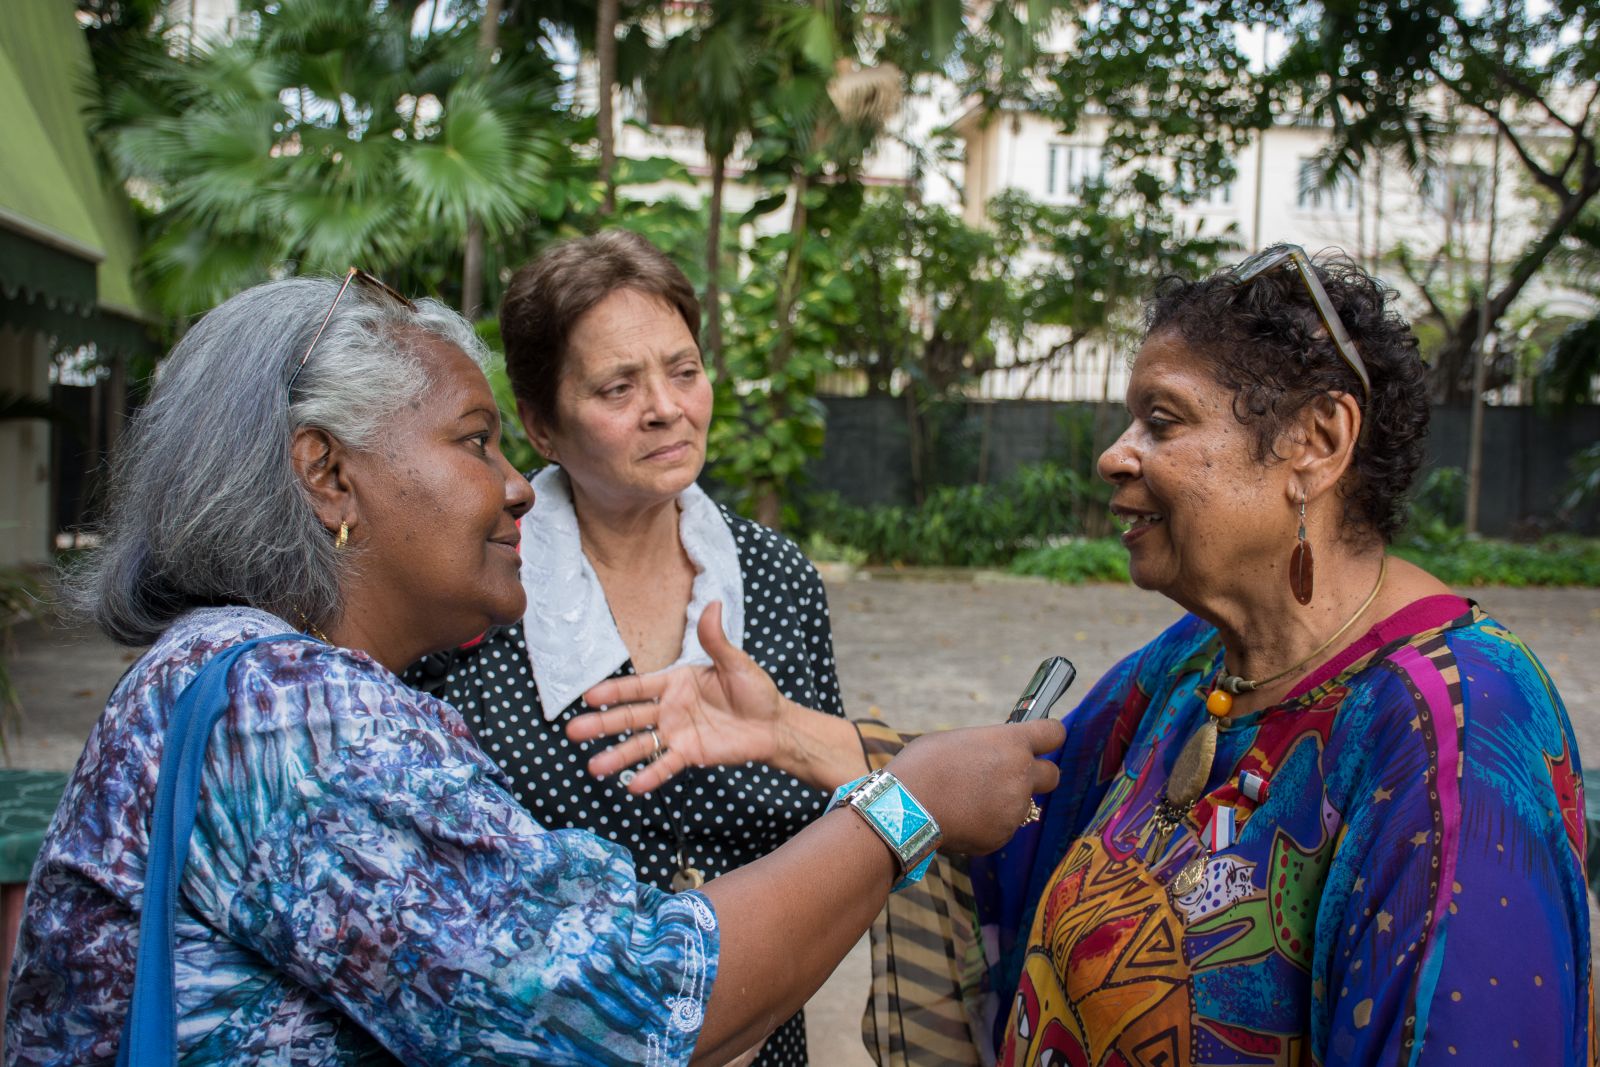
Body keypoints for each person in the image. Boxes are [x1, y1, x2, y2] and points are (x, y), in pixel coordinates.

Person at [3, 273, 1064, 1066]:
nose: (518, 488)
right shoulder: (297, 719)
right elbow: (635, 1004)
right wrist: (907, 803)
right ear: (328, 475)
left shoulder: (216, 667)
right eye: (477, 443)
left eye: (683, 369)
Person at [570, 247, 1595, 1063]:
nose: (1114, 452)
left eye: (1162, 418)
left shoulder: (1452, 732)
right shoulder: (1195, 667)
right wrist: (789, 734)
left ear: (1315, 443)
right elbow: (1003, 815)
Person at [403, 231, 865, 1065]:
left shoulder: (775, 579)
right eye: (619, 386)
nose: (666, 407)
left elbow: (842, 826)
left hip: (760, 1043)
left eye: (684, 371)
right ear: (542, 425)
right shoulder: (473, 588)